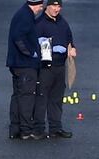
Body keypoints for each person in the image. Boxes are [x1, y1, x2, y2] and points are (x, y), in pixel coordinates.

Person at [34, 0, 76, 138]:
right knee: (42, 98)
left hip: (60, 66)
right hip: (46, 67)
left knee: (57, 99)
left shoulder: (62, 22)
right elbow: (38, 46)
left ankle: (55, 127)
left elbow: (69, 37)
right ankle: (39, 129)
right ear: (47, 6)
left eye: (59, 6)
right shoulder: (40, 24)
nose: (57, 9)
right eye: (54, 6)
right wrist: (53, 50)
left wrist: (72, 47)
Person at [6, 0, 44, 140]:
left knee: (17, 95)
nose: (41, 8)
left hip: (17, 64)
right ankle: (26, 130)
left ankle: (14, 128)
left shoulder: (22, 14)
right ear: (35, 4)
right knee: (27, 96)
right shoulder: (25, 16)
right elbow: (18, 37)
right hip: (25, 64)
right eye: (40, 5)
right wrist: (30, 52)